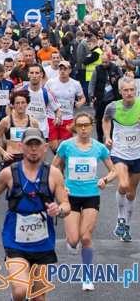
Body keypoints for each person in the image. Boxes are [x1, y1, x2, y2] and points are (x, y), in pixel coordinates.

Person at [0, 128, 70, 301]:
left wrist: (58, 210)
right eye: (29, 144)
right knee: (20, 290)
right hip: (15, 239)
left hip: (43, 241)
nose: (33, 148)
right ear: (21, 147)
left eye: (37, 144)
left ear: (45, 147)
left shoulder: (54, 174)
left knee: (38, 295)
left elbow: (66, 205)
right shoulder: (9, 173)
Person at [51, 112, 116, 291]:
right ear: (75, 127)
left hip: (91, 195)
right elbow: (52, 169)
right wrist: (60, 185)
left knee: (86, 237)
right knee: (73, 239)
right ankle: (73, 243)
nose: (83, 129)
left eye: (86, 125)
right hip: (70, 197)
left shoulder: (99, 148)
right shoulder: (66, 146)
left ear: (92, 125)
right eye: (79, 125)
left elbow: (113, 171)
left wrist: (105, 180)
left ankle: (87, 277)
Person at [101, 77, 140, 243]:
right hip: (119, 153)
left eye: (132, 90)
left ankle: (128, 225)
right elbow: (105, 120)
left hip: (137, 154)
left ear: (136, 90)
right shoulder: (113, 107)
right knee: (123, 185)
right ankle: (120, 217)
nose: (129, 93)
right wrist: (107, 137)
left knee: (131, 192)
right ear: (121, 92)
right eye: (126, 90)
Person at [0, 90, 41, 169]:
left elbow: (39, 142)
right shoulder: (6, 121)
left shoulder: (33, 122)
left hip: (28, 158)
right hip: (11, 158)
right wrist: (3, 152)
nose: (20, 105)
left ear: (27, 104)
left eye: (23, 103)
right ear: (13, 104)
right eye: (17, 103)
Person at [45, 60, 85, 154]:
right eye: (61, 69)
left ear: (70, 70)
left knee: (65, 148)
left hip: (67, 118)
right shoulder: (51, 82)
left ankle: (60, 168)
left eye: (65, 69)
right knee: (54, 147)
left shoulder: (75, 84)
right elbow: (45, 96)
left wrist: (80, 103)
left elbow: (82, 97)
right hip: (52, 117)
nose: (62, 71)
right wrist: (45, 105)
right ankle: (58, 160)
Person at [89, 51, 123, 143]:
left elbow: (122, 80)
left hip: (113, 99)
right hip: (100, 99)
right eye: (103, 62)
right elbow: (92, 83)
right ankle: (100, 139)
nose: (104, 64)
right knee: (99, 121)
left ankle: (110, 139)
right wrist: (91, 95)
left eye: (106, 62)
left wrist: (116, 79)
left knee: (112, 120)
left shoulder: (115, 68)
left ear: (110, 60)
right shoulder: (97, 69)